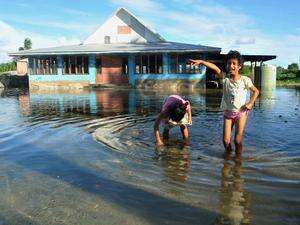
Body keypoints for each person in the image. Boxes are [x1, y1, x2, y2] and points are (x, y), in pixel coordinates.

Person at [189, 50, 259, 155]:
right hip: (228, 113)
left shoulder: (245, 80)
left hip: (241, 112)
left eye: (234, 63)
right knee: (226, 141)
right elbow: (215, 68)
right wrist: (202, 62)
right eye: (229, 63)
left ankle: (238, 158)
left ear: (239, 66)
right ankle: (228, 156)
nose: (231, 66)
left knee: (237, 140)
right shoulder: (225, 79)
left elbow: (256, 91)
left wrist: (250, 103)